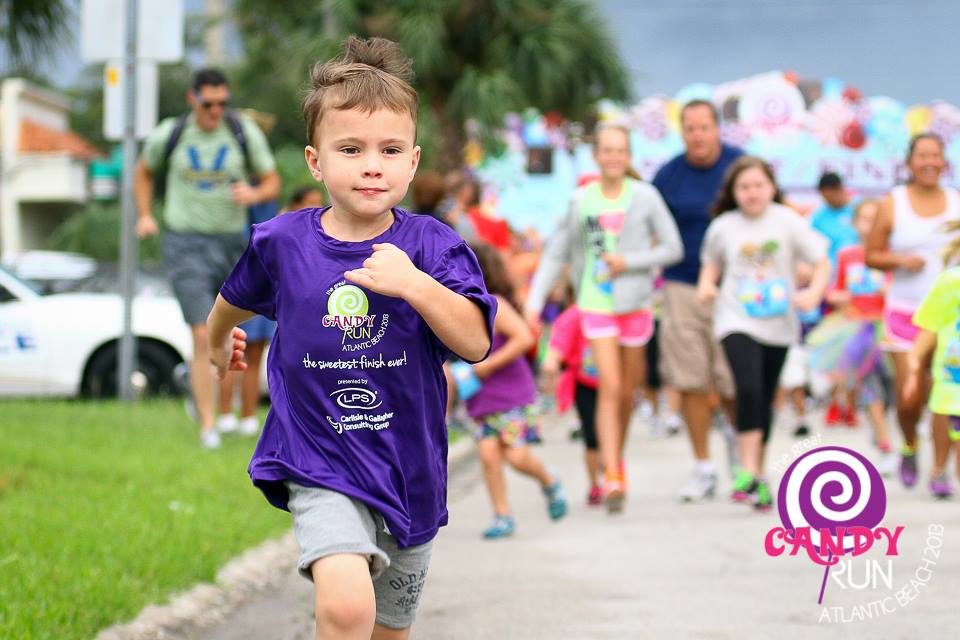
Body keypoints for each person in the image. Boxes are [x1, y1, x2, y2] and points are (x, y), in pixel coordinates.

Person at [206, 37, 495, 639]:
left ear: (413, 163)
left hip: (409, 469)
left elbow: (474, 342)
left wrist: (415, 285)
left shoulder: (435, 248)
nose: (372, 165)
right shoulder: (282, 242)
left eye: (390, 150)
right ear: (316, 161)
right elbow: (230, 301)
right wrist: (217, 342)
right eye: (351, 148)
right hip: (318, 459)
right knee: (346, 609)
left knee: (387, 629)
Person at [526, 122, 683, 513]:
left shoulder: (645, 196)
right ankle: (612, 472)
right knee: (610, 386)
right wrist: (534, 300)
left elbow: (672, 248)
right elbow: (556, 252)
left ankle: (617, 460)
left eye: (620, 150)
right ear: (596, 156)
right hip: (594, 302)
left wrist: (629, 262)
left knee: (628, 391)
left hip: (635, 304)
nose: (613, 157)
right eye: (606, 150)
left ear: (629, 156)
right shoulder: (582, 200)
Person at [135, 68, 280, 449]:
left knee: (232, 331)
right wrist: (146, 214)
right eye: (208, 103)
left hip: (233, 242)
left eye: (222, 103)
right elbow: (144, 171)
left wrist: (253, 195)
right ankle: (209, 425)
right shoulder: (172, 133)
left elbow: (271, 180)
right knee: (202, 332)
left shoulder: (241, 131)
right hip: (185, 242)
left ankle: (220, 405)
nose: (216, 110)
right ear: (192, 99)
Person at [697, 156, 830, 511]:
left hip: (778, 324)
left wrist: (814, 293)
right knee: (748, 386)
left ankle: (756, 477)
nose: (752, 193)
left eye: (758, 185)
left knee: (765, 396)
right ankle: (747, 470)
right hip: (735, 319)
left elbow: (821, 261)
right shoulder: (724, 226)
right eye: (744, 187)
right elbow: (710, 265)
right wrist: (707, 286)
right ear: (733, 192)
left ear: (771, 187)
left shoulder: (787, 221)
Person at [651, 99, 743, 502]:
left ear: (718, 129)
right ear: (682, 131)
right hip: (683, 286)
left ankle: (742, 456)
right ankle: (703, 466)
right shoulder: (668, 177)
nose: (698, 135)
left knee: (735, 380)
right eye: (690, 128)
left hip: (737, 290)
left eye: (704, 127)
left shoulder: (741, 167)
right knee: (689, 379)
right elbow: (649, 230)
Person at [866, 133, 960, 489]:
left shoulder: (955, 201)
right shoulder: (894, 202)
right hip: (905, 314)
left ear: (944, 162)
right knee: (910, 396)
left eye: (935, 156)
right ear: (910, 162)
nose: (929, 162)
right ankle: (908, 444)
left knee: (946, 394)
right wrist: (900, 260)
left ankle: (940, 472)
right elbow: (870, 254)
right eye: (922, 156)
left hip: (950, 319)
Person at [463, 242, 567, 538]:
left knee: (517, 457)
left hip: (511, 395)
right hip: (481, 398)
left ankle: (548, 480)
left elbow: (523, 338)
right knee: (488, 455)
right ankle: (502, 515)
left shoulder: (495, 304)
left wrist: (491, 364)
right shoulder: (462, 306)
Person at [217, 187, 325, 437]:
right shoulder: (274, 229)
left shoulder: (315, 230)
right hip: (252, 297)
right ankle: (224, 414)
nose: (316, 209)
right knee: (234, 352)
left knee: (256, 356)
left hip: (276, 302)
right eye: (310, 202)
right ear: (295, 202)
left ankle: (247, 417)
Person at [807, 200, 897, 476]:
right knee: (871, 390)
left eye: (875, 219)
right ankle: (885, 445)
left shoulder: (892, 255)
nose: (869, 226)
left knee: (895, 389)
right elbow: (834, 291)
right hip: (858, 329)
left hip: (890, 330)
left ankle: (886, 429)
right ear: (855, 223)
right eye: (864, 219)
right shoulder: (848, 255)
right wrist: (842, 298)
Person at [904, 225, 960, 498]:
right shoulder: (951, 281)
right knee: (944, 416)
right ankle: (939, 468)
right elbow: (930, 325)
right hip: (952, 369)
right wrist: (915, 361)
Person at [542, 303, 602, 504]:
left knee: (612, 433)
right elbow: (559, 342)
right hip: (585, 383)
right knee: (592, 436)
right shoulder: (574, 315)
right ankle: (595, 485)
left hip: (612, 382)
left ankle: (612, 473)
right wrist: (552, 360)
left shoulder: (614, 308)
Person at [810, 171, 860, 271]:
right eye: (825, 196)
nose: (829, 199)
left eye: (832, 194)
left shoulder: (859, 209)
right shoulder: (817, 218)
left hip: (859, 268)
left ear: (841, 188)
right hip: (832, 271)